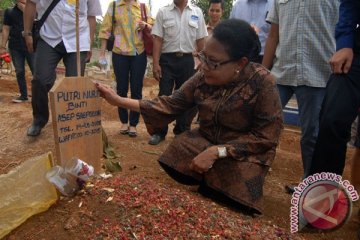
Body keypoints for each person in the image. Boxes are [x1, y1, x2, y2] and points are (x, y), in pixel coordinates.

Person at [96, 19, 283, 213]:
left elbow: (266, 137)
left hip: (243, 152)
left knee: (237, 188)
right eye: (203, 57)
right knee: (178, 148)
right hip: (208, 139)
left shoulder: (263, 83)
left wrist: (217, 152)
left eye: (213, 62)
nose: (203, 66)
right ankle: (210, 176)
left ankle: (215, 178)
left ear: (240, 63)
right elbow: (171, 103)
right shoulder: (203, 76)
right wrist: (118, 100)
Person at [262, 0, 339, 192]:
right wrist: (264, 70)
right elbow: (273, 35)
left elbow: (342, 30)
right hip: (282, 71)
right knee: (264, 124)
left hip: (318, 73)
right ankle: (252, 175)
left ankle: (309, 186)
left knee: (311, 134)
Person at [23, 0, 102, 137]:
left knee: (74, 86)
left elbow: (91, 16)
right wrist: (27, 33)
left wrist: (88, 43)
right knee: (41, 80)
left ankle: (70, 124)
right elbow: (30, 3)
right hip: (49, 36)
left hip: (78, 39)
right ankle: (39, 119)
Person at [308, 0, 360, 178]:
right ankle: (321, 196)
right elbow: (350, 4)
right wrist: (345, 43)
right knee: (332, 118)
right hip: (355, 51)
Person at [149, 0, 208, 145]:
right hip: (167, 60)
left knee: (186, 96)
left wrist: (203, 62)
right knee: (164, 95)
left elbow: (201, 40)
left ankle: (181, 131)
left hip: (188, 60)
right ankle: (159, 132)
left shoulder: (197, 12)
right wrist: (156, 63)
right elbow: (158, 40)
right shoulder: (163, 12)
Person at [98, 0, 154, 137]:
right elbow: (105, 30)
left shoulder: (142, 7)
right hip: (119, 54)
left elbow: (153, 26)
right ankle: (124, 121)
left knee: (137, 89)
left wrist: (146, 25)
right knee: (121, 89)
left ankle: (133, 124)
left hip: (138, 54)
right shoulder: (114, 5)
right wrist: (102, 54)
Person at [0, 0, 34, 103]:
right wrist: (2, 46)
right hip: (15, 46)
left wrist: (25, 10)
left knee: (36, 71)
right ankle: (23, 95)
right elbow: (6, 28)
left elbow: (36, 20)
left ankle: (38, 95)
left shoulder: (35, 9)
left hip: (31, 45)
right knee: (19, 71)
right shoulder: (10, 12)